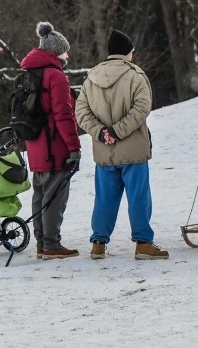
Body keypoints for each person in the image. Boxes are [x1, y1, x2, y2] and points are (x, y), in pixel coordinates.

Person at [75, 29, 168, 260]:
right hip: (133, 150)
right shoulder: (136, 76)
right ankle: (143, 243)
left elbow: (81, 112)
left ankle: (98, 243)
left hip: (104, 152)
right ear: (128, 52)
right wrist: (118, 131)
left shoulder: (91, 79)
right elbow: (142, 108)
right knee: (139, 197)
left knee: (104, 198)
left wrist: (100, 133)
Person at [20, 22, 81, 260]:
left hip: (34, 145)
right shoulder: (55, 76)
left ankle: (41, 244)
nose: (67, 56)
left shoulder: (29, 73)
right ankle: (52, 245)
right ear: (55, 52)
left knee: (40, 194)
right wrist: (74, 146)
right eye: (64, 51)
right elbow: (63, 115)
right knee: (55, 196)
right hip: (54, 146)